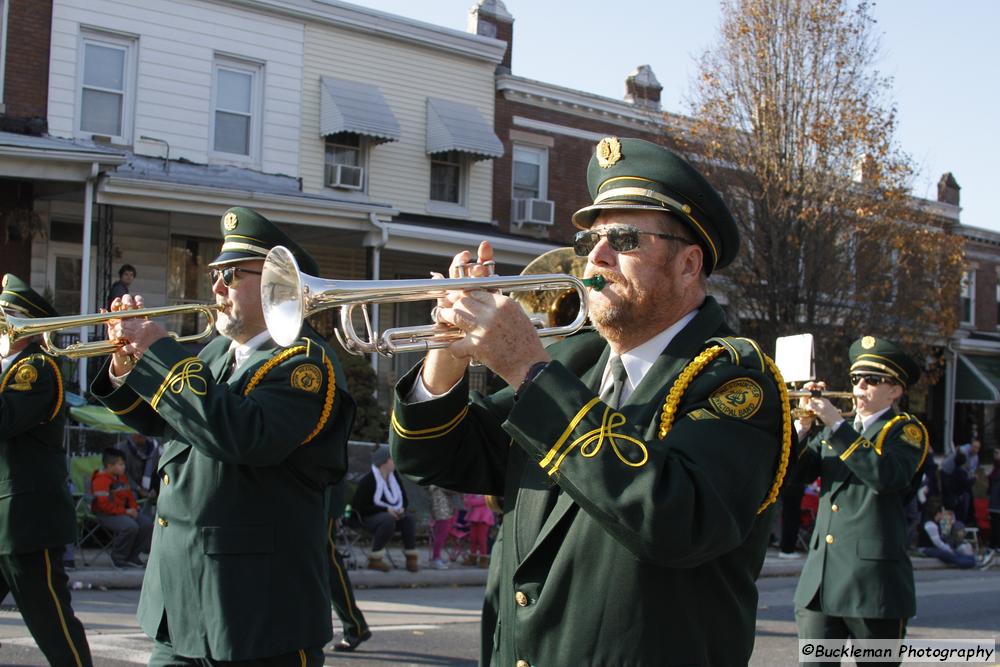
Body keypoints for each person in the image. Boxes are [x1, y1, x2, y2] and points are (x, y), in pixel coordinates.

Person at [390, 137, 789, 665]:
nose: (595, 256)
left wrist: (527, 369)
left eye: (623, 238)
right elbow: (433, 457)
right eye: (589, 238)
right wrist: (448, 352)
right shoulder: (578, 362)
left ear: (689, 264)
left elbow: (678, 520)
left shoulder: (736, 378)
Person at [91, 207, 355, 666]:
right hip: (178, 603)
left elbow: (242, 435)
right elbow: (165, 420)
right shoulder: (214, 350)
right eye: (216, 273)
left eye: (231, 275)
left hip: (254, 612)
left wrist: (160, 355)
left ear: (281, 285)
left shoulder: (304, 362)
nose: (215, 286)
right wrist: (127, 364)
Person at [793, 337, 928, 666]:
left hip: (874, 587)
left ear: (895, 391)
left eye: (872, 380)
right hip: (820, 584)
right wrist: (802, 427)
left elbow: (886, 477)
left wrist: (836, 425)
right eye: (856, 379)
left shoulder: (905, 431)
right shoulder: (833, 432)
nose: (861, 386)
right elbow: (791, 476)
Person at [0, 274, 93, 666]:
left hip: (26, 521)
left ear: (24, 324)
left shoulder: (37, 368)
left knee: (52, 625)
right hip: (6, 518)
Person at [352, 446, 419, 573]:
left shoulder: (394, 479)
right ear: (384, 462)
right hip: (368, 518)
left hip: (391, 516)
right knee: (387, 519)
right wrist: (386, 509)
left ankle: (411, 558)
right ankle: (375, 559)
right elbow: (360, 507)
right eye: (392, 459)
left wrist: (401, 509)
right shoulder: (368, 480)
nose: (395, 462)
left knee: (408, 518)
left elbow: (404, 499)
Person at [325, 481, 371, 652]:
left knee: (329, 564)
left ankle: (354, 625)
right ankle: (355, 625)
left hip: (320, 501)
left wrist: (335, 509)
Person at [91, 447, 154, 568]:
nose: (124, 467)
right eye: (120, 464)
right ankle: (118, 557)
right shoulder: (101, 480)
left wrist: (134, 509)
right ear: (109, 465)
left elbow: (130, 497)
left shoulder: (122, 478)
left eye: (123, 464)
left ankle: (132, 557)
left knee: (147, 523)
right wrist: (126, 511)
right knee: (130, 527)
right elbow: (103, 505)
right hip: (105, 514)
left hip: (123, 513)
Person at [920, 508, 993, 570]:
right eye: (942, 513)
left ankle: (978, 559)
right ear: (937, 514)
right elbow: (937, 542)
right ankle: (976, 562)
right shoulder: (930, 524)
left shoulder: (936, 523)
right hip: (927, 548)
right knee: (951, 556)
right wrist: (947, 548)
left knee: (956, 553)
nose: (942, 516)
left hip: (933, 547)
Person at [115, 432, 162, 509]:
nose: (142, 436)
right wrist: (138, 489)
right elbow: (121, 474)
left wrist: (155, 488)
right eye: (138, 434)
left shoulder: (154, 448)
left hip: (148, 490)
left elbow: (156, 470)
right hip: (128, 488)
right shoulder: (121, 448)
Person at [427, 484, 459, 569]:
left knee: (440, 536)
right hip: (442, 512)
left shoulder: (435, 484)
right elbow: (453, 490)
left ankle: (437, 558)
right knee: (440, 536)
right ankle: (436, 559)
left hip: (441, 511)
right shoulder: (440, 482)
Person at [462, 494, 494, 568]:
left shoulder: (487, 494)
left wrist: (472, 501)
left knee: (482, 539)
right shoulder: (473, 492)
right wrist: (472, 501)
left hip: (484, 516)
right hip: (473, 516)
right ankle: (472, 558)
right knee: (473, 538)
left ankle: (483, 559)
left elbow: (485, 501)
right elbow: (467, 502)